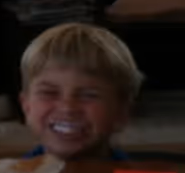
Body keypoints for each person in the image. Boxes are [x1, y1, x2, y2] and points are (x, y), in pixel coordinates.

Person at [15, 22, 143, 161]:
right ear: (26, 106)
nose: (67, 108)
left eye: (88, 95)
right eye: (49, 93)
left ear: (121, 112)